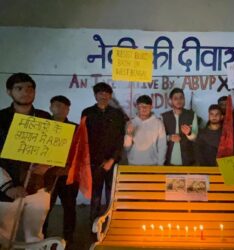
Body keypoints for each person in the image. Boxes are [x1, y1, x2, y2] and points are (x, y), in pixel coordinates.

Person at [0, 73, 51, 245]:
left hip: (37, 188)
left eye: (30, 88)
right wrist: (7, 187)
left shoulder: (45, 118)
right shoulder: (1, 119)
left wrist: (48, 164)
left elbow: (52, 149)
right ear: (9, 92)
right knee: (5, 237)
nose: (26, 92)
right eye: (19, 88)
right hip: (6, 192)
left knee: (35, 237)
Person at [81, 82, 126, 224]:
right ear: (95, 95)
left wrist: (112, 159)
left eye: (106, 93)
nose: (103, 96)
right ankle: (94, 224)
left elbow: (120, 139)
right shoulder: (87, 113)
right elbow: (83, 138)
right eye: (100, 93)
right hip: (94, 162)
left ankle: (110, 222)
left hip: (112, 162)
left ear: (110, 96)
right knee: (95, 196)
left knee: (111, 194)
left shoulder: (118, 114)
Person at [42, 95, 79, 248]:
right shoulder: (43, 126)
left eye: (64, 107)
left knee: (69, 206)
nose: (60, 109)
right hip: (47, 176)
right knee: (45, 207)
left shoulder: (76, 128)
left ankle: (68, 237)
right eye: (57, 106)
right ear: (51, 107)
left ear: (68, 109)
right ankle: (41, 236)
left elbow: (80, 153)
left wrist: (69, 167)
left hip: (68, 175)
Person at [124, 95, 166, 165]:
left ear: (151, 107)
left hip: (152, 165)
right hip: (133, 165)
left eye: (146, 106)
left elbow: (162, 146)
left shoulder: (158, 123)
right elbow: (126, 148)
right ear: (137, 107)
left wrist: (160, 165)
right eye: (141, 106)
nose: (144, 108)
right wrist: (129, 135)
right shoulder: (131, 123)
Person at [161, 88, 198, 166]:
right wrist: (170, 138)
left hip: (188, 161)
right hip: (168, 161)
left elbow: (195, 138)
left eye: (181, 98)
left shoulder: (191, 115)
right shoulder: (164, 116)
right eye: (175, 98)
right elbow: (159, 138)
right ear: (171, 101)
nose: (179, 101)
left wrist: (189, 133)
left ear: (184, 99)